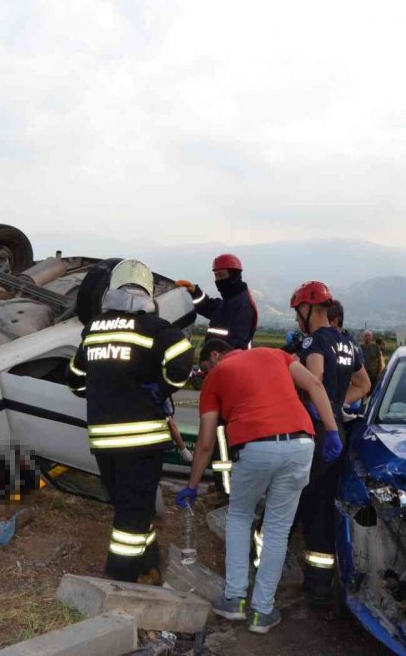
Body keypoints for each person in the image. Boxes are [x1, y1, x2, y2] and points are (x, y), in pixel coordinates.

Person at [177, 339, 339, 634]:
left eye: (206, 366)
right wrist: (331, 430)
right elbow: (315, 384)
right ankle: (262, 613)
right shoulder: (275, 354)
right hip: (301, 443)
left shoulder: (216, 374)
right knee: (277, 529)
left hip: (254, 446)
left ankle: (234, 600)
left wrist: (192, 484)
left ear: (215, 356)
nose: (207, 372)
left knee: (240, 517)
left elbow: (205, 442)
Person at [67, 260, 195, 584]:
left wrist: (104, 390)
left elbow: (75, 381)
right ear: (147, 294)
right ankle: (120, 579)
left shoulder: (94, 329)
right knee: (134, 511)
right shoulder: (152, 327)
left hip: (104, 441)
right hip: (142, 440)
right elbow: (182, 355)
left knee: (128, 507)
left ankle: (149, 566)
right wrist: (162, 387)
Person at [291, 281, 370, 603]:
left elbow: (315, 379)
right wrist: (336, 405)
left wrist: (316, 404)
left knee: (295, 498)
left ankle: (262, 568)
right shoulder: (349, 343)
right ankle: (319, 583)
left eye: (298, 312)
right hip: (336, 427)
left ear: (308, 308)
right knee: (323, 503)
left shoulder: (315, 341)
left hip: (314, 429)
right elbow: (363, 384)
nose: (297, 319)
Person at [176, 254, 258, 349]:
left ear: (233, 275)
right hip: (214, 357)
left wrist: (216, 357)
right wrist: (194, 292)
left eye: (221, 275)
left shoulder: (243, 305)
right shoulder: (229, 300)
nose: (218, 280)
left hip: (227, 358)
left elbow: (237, 344)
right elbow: (207, 306)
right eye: (216, 275)